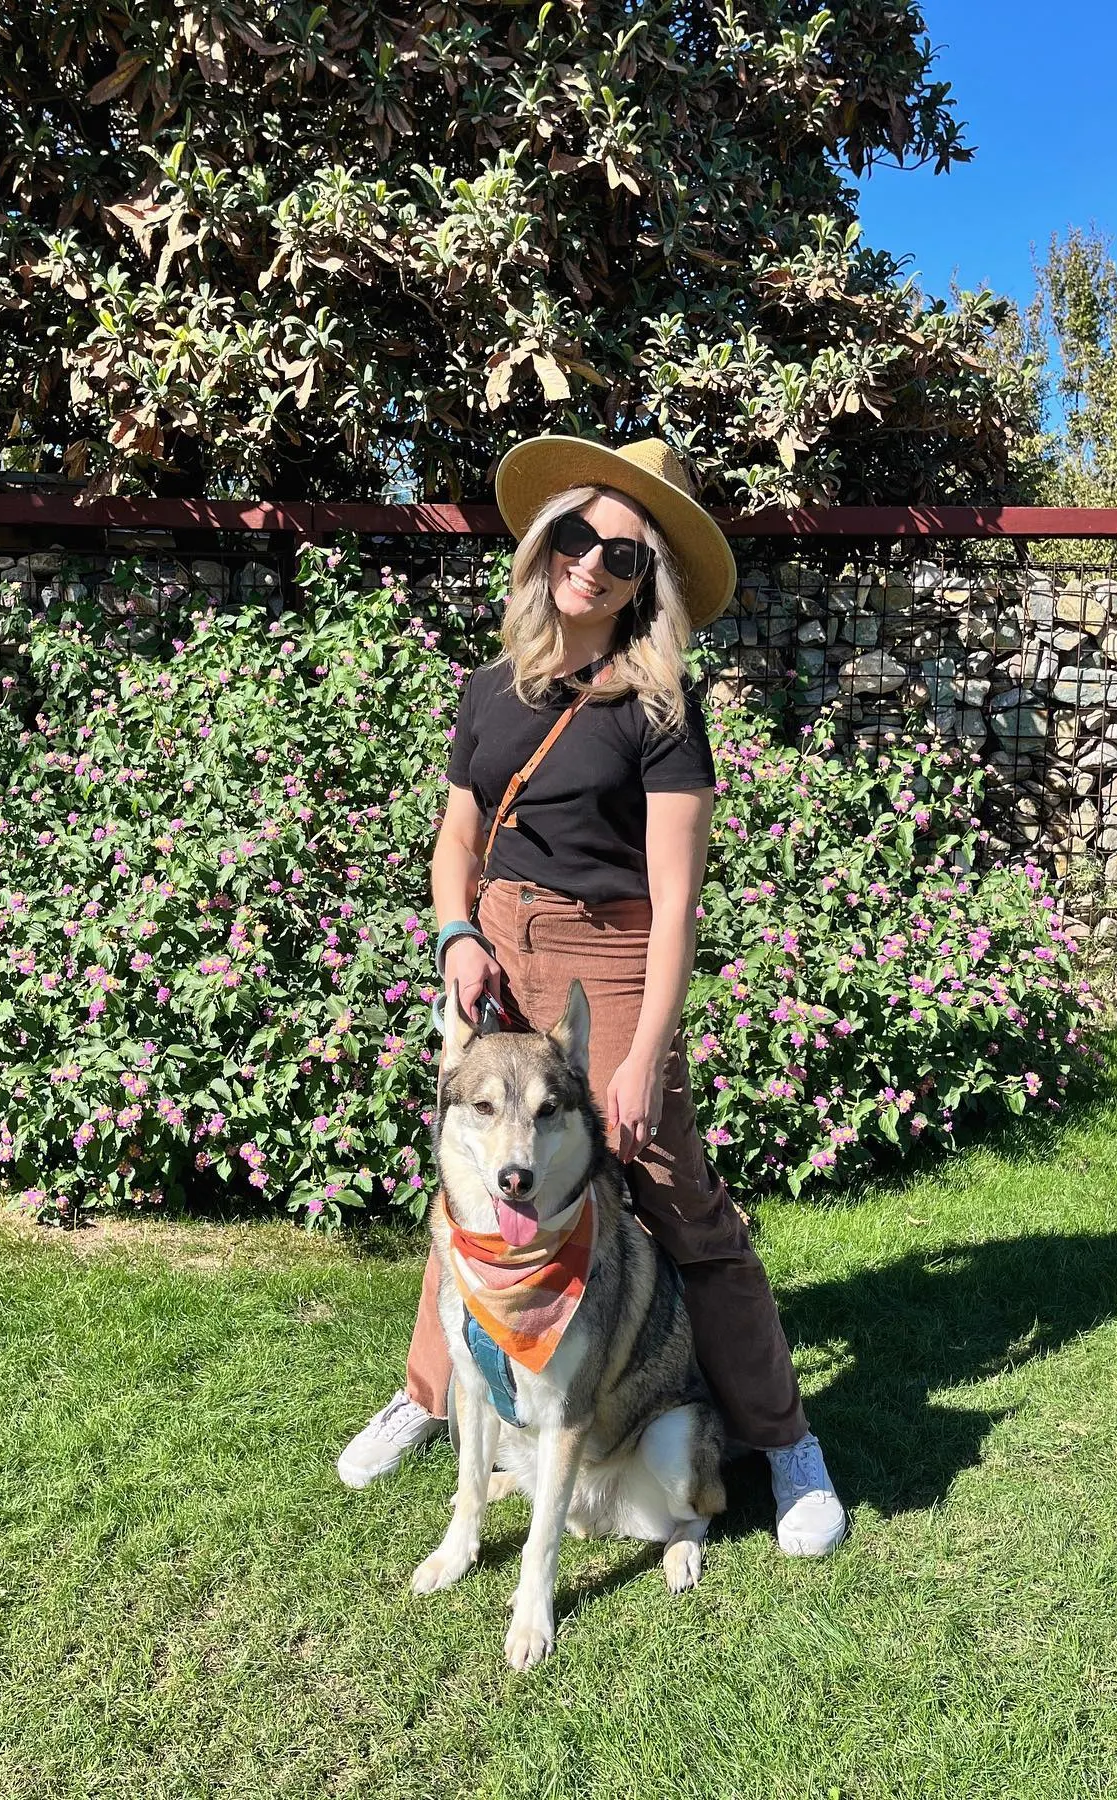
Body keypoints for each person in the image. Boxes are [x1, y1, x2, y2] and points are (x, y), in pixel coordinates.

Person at [336, 435, 846, 1557]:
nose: (594, 564)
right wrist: (457, 933)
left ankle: (782, 1436)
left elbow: (677, 903)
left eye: (624, 554)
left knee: (671, 1192)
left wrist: (639, 1054)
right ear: (544, 544)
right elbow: (457, 838)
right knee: (480, 1171)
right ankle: (434, 1396)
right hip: (500, 942)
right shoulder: (489, 690)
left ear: (643, 583)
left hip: (609, 955)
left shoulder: (660, 707)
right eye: (578, 536)